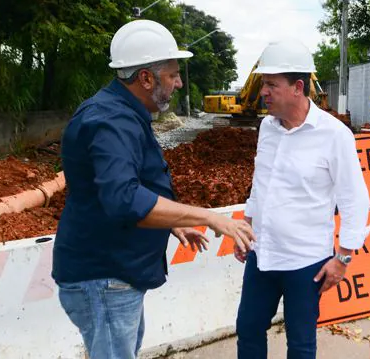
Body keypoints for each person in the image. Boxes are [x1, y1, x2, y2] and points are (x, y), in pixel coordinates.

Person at [52, 19, 255, 359]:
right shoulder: (111, 121)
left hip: (112, 276)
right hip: (104, 277)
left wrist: (173, 221)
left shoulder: (123, 113)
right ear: (145, 78)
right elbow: (124, 199)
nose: (178, 82)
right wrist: (209, 217)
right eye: (172, 74)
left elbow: (125, 189)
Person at [234, 39, 370, 359]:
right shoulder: (266, 128)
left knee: (300, 344)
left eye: (271, 84)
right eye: (262, 84)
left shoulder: (334, 135)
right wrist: (246, 228)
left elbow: (354, 200)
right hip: (262, 254)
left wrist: (343, 258)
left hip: (305, 262)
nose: (263, 92)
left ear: (298, 87)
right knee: (248, 328)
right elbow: (260, 184)